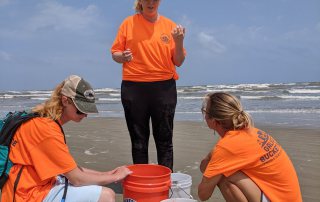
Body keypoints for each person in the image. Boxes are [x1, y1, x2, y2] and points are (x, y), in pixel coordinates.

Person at [1, 75, 132, 202]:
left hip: (27, 186)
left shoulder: (42, 118)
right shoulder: (46, 130)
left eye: (88, 109)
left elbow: (70, 169)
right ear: (65, 101)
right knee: (107, 195)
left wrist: (109, 174)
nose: (85, 114)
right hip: (26, 195)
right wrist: (114, 177)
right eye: (81, 109)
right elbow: (77, 178)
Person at [110, 0, 186, 171]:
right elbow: (115, 53)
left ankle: (165, 182)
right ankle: (142, 184)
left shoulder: (170, 26)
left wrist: (179, 41)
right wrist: (122, 56)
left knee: (165, 140)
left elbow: (179, 61)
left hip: (164, 89)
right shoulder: (128, 23)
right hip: (134, 88)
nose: (151, 2)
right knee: (138, 141)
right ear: (140, 2)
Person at [198, 92, 302, 202]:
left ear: (214, 121)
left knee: (225, 176)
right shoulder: (251, 131)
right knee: (224, 170)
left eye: (204, 111)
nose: (204, 115)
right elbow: (203, 166)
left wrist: (216, 161)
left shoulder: (227, 146)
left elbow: (203, 195)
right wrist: (215, 156)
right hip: (288, 197)